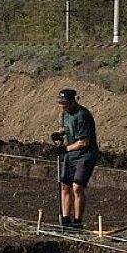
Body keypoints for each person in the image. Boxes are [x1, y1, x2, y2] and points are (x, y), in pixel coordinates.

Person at [52, 89, 99, 231]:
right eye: (61, 104)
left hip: (85, 155)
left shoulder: (83, 116)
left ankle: (77, 223)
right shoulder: (64, 114)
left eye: (65, 103)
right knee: (65, 186)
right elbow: (64, 128)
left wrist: (64, 149)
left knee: (77, 187)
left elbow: (84, 142)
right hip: (71, 155)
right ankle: (66, 221)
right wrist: (58, 134)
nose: (63, 106)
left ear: (73, 101)